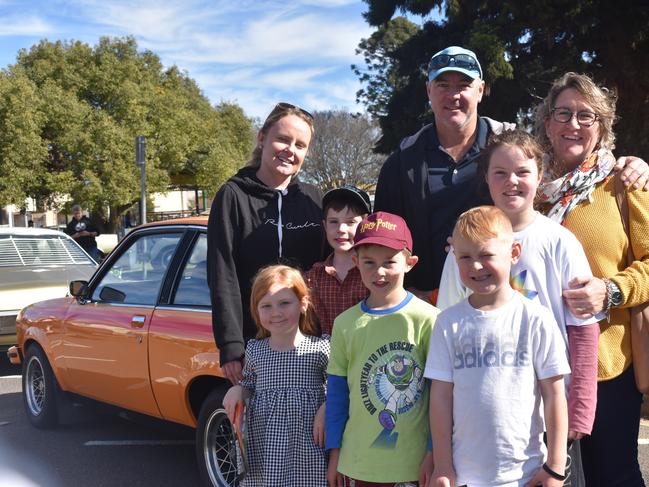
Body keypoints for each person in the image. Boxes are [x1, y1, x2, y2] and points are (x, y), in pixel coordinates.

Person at [374, 46, 649, 301]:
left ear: (481, 90)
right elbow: (380, 243)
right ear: (428, 90)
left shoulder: (513, 150)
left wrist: (613, 291)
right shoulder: (402, 163)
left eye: (464, 85)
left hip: (515, 316)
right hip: (427, 313)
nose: (453, 95)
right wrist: (405, 296)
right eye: (443, 85)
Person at [437, 130, 598, 482]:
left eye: (523, 172)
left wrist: (580, 409)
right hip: (477, 430)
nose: (512, 181)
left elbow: (584, 328)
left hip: (548, 417)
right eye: (500, 173)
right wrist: (436, 450)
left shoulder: (560, 241)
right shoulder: (462, 249)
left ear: (540, 177)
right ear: (486, 178)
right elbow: (443, 328)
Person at [535, 72, 649, 487]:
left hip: (606, 365)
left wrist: (613, 289)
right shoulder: (528, 190)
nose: (574, 124)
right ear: (547, 122)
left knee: (611, 475)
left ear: (602, 128)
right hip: (534, 363)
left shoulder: (624, 183)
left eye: (587, 116)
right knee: (541, 474)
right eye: (563, 113)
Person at [426, 206, 570, 487]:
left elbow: (554, 396)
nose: (476, 266)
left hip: (525, 475)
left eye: (486, 255)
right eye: (465, 257)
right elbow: (440, 399)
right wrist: (442, 466)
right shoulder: (447, 323)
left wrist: (555, 466)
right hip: (463, 477)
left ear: (514, 253)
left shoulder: (536, 318)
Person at [207, 102, 324, 385]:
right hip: (254, 344)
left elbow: (329, 264)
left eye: (300, 145)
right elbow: (222, 275)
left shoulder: (314, 199)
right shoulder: (232, 195)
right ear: (262, 138)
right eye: (283, 139)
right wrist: (231, 346)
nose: (290, 150)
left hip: (308, 343)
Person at [326, 211, 439, 487]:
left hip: (414, 467)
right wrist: (335, 455)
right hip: (360, 464)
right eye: (369, 262)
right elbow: (338, 396)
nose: (379, 272)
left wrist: (434, 452)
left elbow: (440, 396)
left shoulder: (430, 319)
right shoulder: (345, 324)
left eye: (389, 262)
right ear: (355, 262)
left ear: (410, 263)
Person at [222, 265, 329, 486]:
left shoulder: (321, 348)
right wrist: (237, 389)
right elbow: (250, 384)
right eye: (266, 306)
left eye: (284, 303)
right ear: (256, 311)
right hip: (266, 443)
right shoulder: (255, 349)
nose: (276, 313)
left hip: (307, 443)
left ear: (303, 303)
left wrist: (327, 407)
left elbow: (336, 387)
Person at [305, 185, 371, 336]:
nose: (341, 229)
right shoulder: (312, 277)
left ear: (365, 224)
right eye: (334, 221)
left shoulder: (373, 272)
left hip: (368, 355)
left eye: (350, 222)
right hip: (324, 356)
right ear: (325, 226)